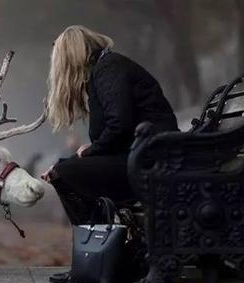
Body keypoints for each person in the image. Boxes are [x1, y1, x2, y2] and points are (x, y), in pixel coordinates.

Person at [42, 25, 179, 224]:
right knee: (63, 167)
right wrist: (88, 152)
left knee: (63, 174)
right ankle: (106, 236)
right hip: (141, 155)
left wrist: (90, 151)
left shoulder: (108, 68)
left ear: (72, 56)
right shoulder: (105, 69)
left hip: (150, 160)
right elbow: (119, 129)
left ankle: (98, 238)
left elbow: (119, 126)